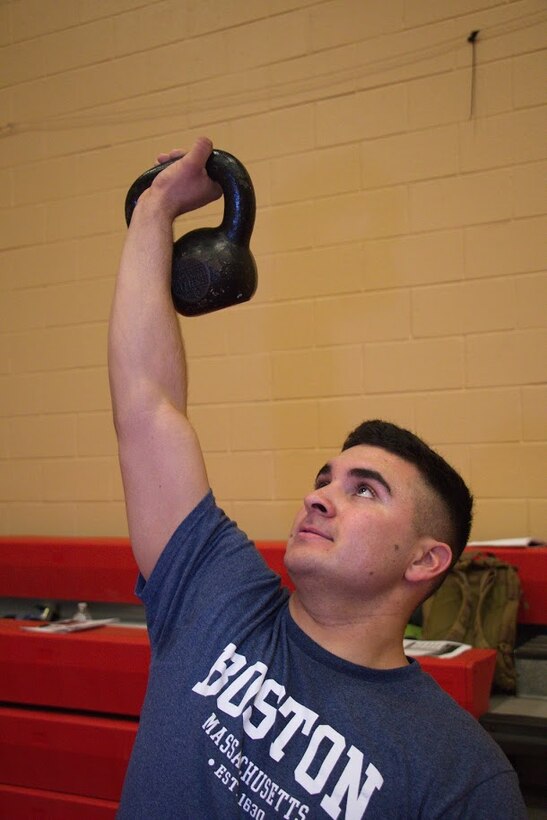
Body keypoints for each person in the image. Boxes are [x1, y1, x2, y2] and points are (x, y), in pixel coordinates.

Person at [109, 137, 526, 819]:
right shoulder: (217, 597)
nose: (318, 496)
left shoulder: (462, 777)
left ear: (425, 559)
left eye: (364, 489)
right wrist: (155, 211)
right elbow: (148, 406)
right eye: (325, 478)